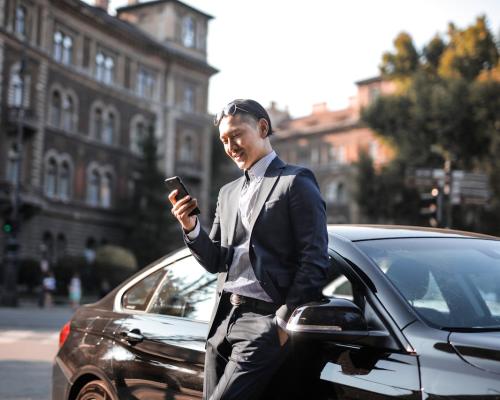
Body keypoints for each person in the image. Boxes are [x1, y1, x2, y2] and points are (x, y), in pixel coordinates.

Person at [169, 99, 329, 400]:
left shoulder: (295, 182)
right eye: (224, 140)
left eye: (237, 135)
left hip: (264, 322)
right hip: (223, 318)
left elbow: (315, 258)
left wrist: (282, 322)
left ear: (263, 128)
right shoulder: (227, 193)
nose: (231, 147)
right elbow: (216, 259)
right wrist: (190, 226)